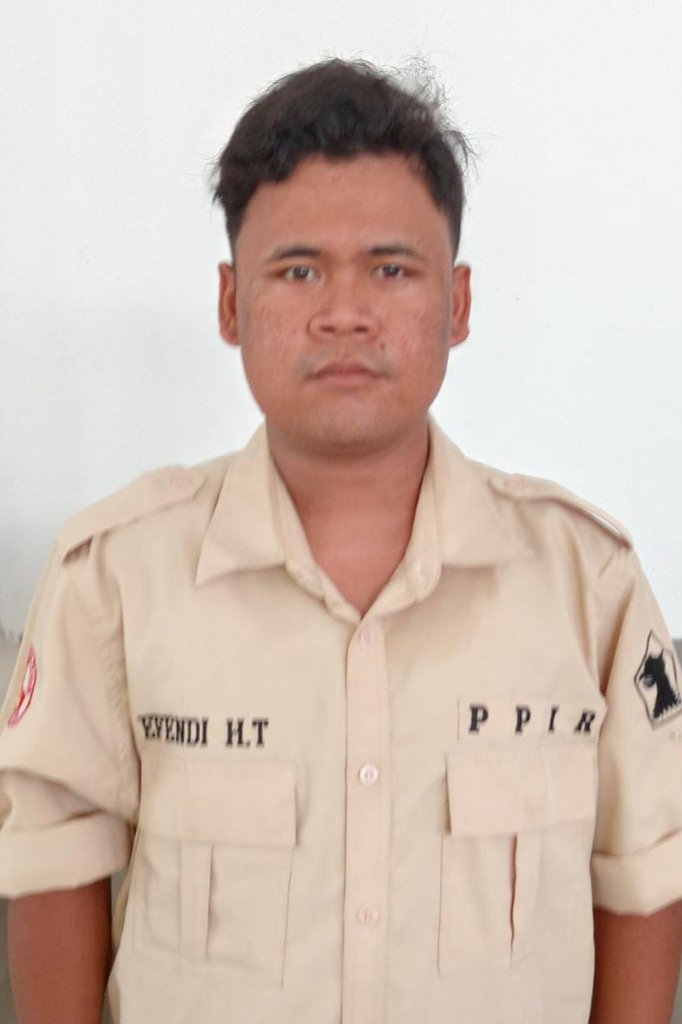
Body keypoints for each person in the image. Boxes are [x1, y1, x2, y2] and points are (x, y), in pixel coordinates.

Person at [1, 57, 682, 1024]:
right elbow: (53, 868)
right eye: (298, 270)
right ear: (231, 304)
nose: (345, 313)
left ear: (459, 304)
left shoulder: (588, 583)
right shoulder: (114, 579)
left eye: (392, 269)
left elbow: (645, 873)